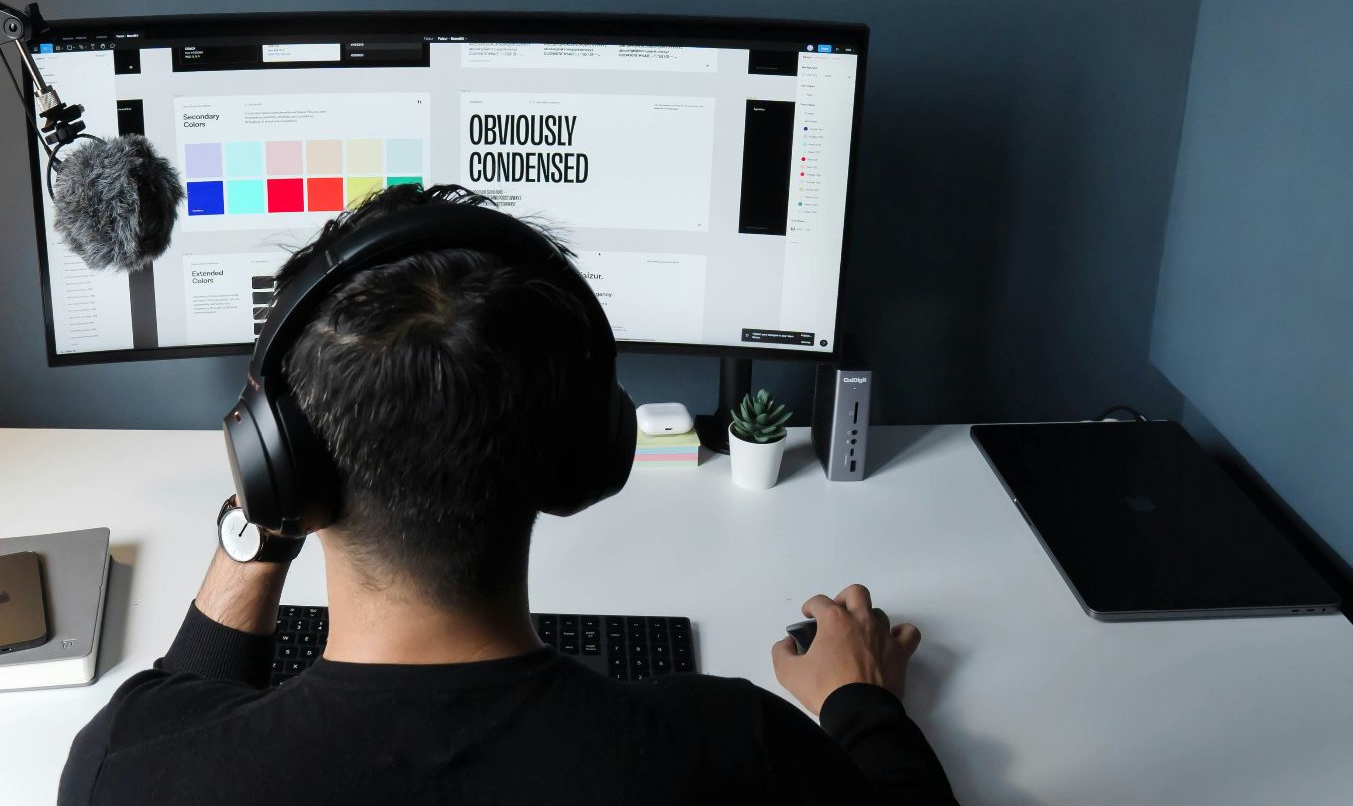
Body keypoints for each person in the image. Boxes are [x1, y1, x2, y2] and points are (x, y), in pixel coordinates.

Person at [60, 185, 957, 805]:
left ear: (277, 464)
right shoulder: (736, 752)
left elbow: (183, 704)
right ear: (585, 456)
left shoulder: (130, 768)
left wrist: (262, 522)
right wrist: (863, 702)